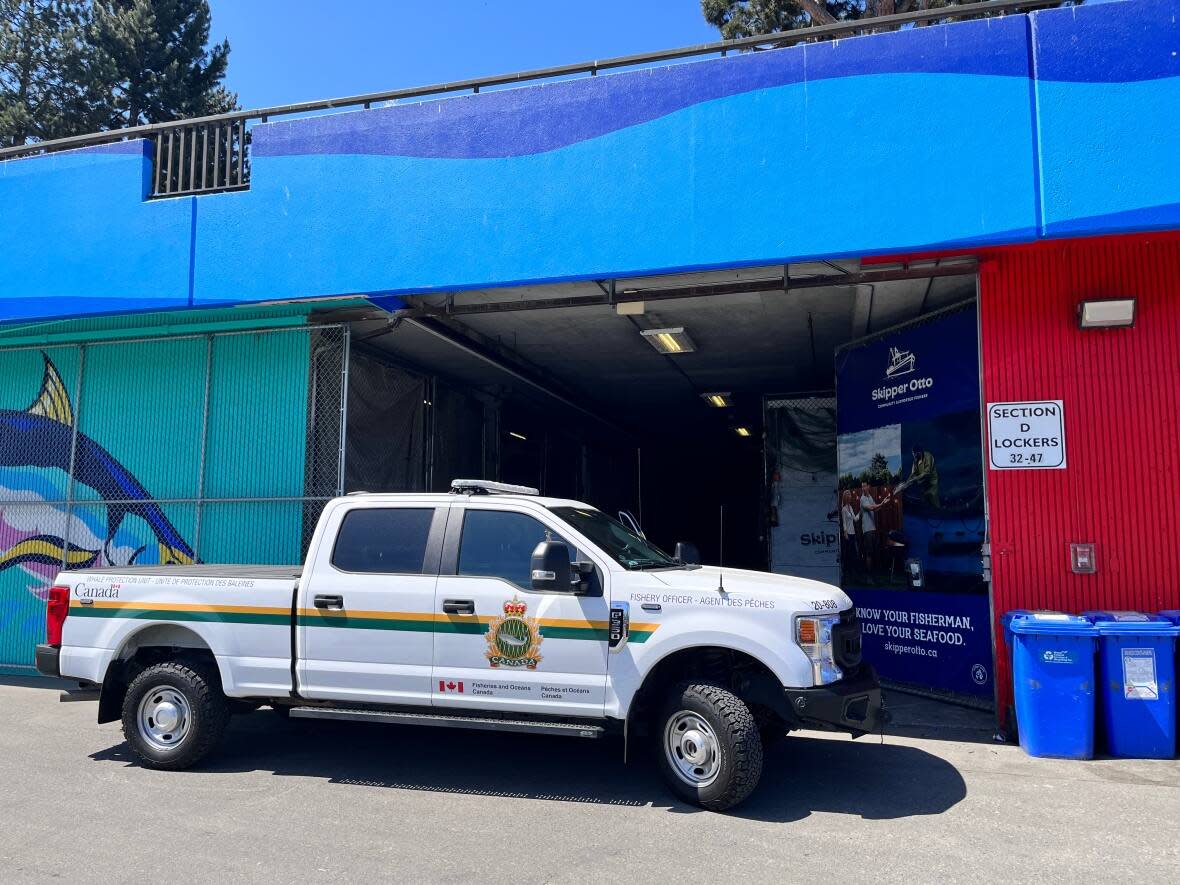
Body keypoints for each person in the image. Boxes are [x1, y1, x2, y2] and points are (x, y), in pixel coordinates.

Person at [859, 480, 885, 572]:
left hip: (873, 529)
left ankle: (875, 573)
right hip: (867, 530)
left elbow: (875, 508)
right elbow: (870, 508)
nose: (863, 488)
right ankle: (868, 575)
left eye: (865, 486)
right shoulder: (862, 499)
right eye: (862, 486)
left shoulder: (870, 497)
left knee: (875, 552)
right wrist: (880, 504)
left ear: (868, 487)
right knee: (869, 553)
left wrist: (883, 503)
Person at [907, 444, 940, 509]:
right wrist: (907, 482)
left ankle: (937, 512)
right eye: (913, 454)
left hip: (931, 482)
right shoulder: (915, 461)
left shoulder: (928, 456)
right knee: (924, 498)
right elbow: (913, 473)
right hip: (922, 483)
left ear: (920, 452)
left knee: (932, 497)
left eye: (915, 454)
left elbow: (927, 472)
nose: (914, 456)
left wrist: (915, 479)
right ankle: (926, 512)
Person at [839, 490, 860, 571]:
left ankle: (852, 571)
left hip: (853, 534)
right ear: (845, 497)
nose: (850, 495)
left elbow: (855, 519)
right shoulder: (844, 509)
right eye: (848, 494)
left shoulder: (850, 507)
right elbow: (844, 522)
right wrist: (845, 532)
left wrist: (860, 512)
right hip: (848, 535)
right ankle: (846, 570)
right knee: (848, 553)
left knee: (854, 553)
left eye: (850, 494)